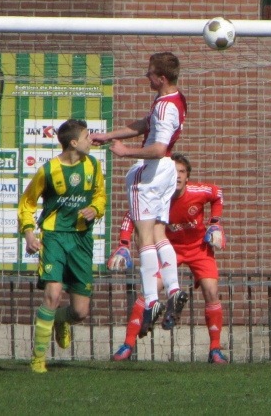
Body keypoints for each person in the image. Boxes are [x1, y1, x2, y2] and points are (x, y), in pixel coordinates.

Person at [90, 52, 188, 336]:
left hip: (152, 170)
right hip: (167, 170)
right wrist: (108, 136)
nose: (146, 76)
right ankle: (173, 289)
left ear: (162, 78)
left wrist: (125, 152)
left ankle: (152, 301)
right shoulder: (173, 99)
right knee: (158, 234)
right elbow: (145, 125)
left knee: (143, 236)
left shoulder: (164, 108)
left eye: (150, 73)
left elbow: (158, 147)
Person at [109, 153, 228, 364]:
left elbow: (217, 193)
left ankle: (215, 349)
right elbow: (131, 214)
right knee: (149, 291)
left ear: (187, 177)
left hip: (199, 249)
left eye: (182, 171)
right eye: (174, 171)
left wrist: (215, 223)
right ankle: (127, 345)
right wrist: (123, 244)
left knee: (212, 290)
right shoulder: (158, 195)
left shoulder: (197, 192)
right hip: (170, 248)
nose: (178, 175)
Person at [18, 119, 107, 373]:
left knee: (79, 312)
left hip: (81, 240)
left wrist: (96, 208)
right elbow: (27, 203)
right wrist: (29, 234)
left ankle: (60, 320)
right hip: (54, 236)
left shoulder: (93, 164)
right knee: (53, 294)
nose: (92, 139)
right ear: (73, 143)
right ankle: (38, 359)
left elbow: (100, 194)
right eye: (88, 136)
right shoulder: (48, 170)